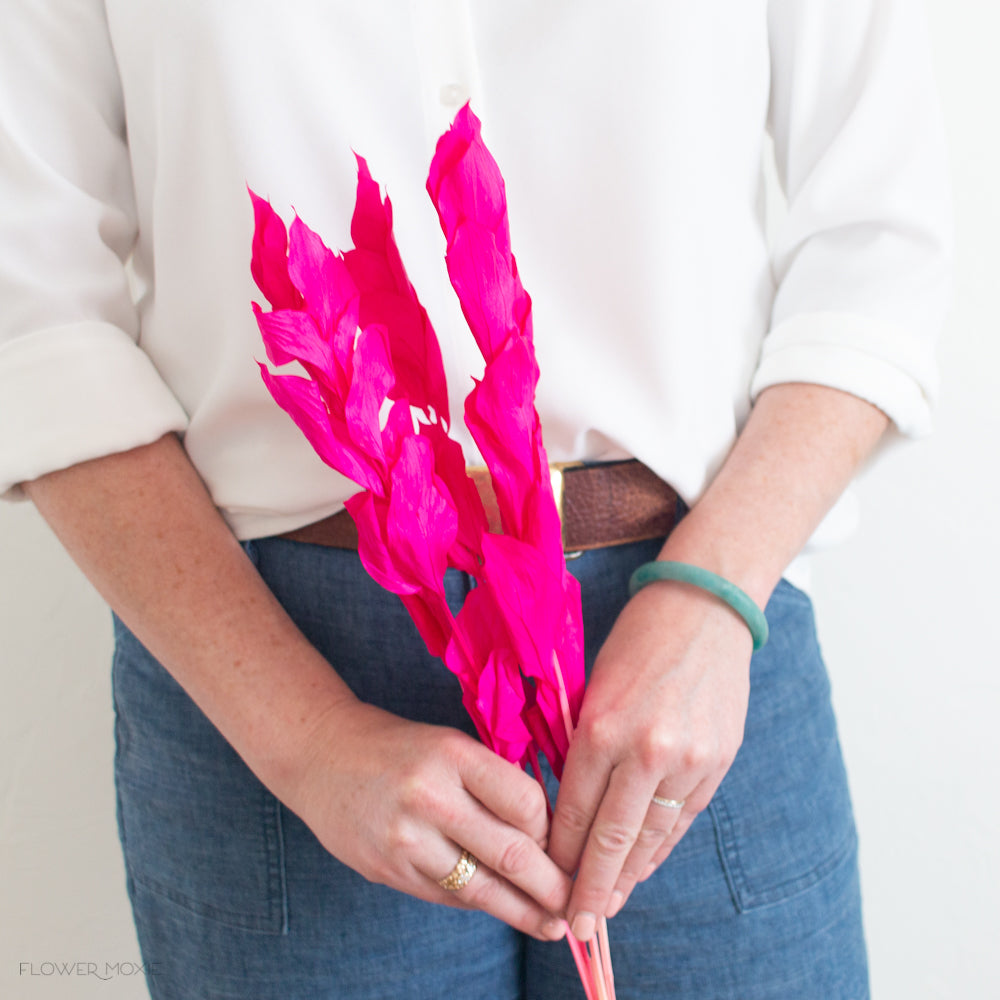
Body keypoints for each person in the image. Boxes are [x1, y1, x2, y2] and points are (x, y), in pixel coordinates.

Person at [0, 2, 950, 998]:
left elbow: (879, 236)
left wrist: (716, 595)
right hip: (270, 661)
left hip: (698, 655)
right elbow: (36, 308)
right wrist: (306, 737)